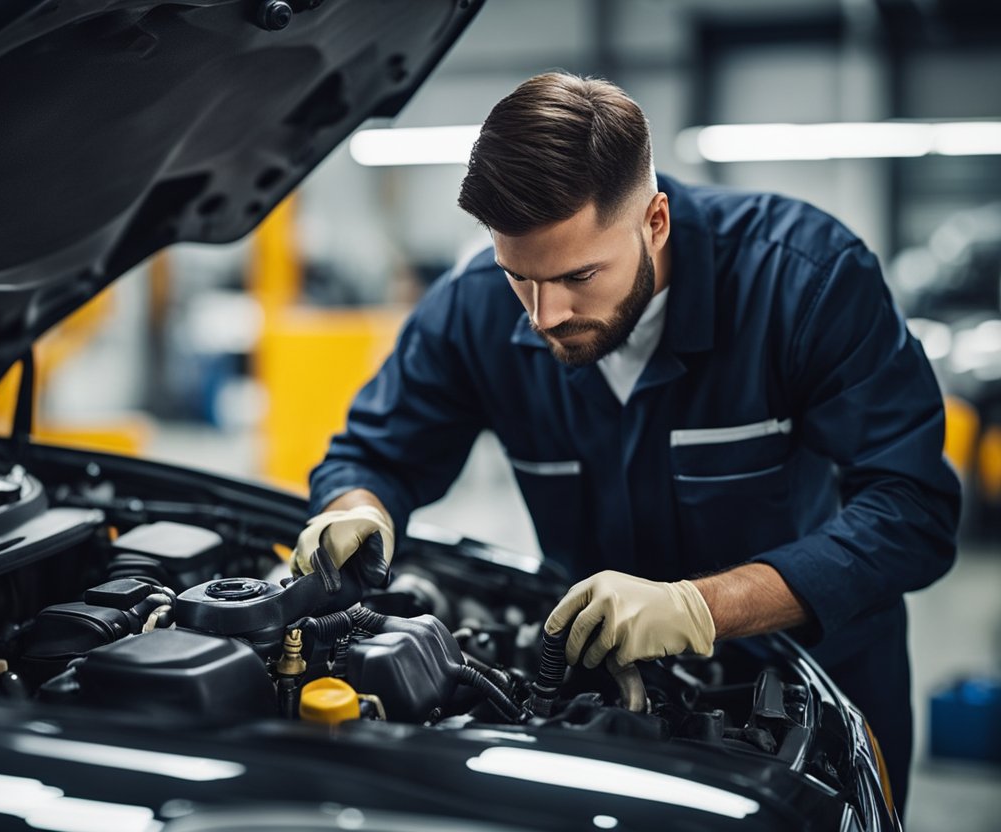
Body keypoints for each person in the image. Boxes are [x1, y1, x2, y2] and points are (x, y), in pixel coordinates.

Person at [292, 72, 959, 815]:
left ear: (657, 221)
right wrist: (357, 507)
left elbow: (911, 511)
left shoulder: (804, 280)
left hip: (809, 693)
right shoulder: (473, 308)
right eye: (520, 276)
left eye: (580, 274)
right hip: (591, 681)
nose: (545, 314)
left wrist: (698, 608)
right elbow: (377, 452)